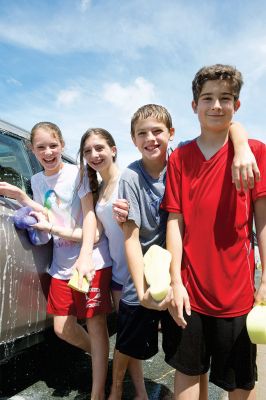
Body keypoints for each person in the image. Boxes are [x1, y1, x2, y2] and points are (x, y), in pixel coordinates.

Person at [110, 103, 261, 400]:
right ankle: (116, 389)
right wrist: (141, 289)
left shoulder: (183, 158)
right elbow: (131, 239)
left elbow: (226, 128)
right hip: (146, 273)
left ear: (171, 133)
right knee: (129, 340)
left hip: (182, 275)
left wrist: (242, 145)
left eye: (157, 131)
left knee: (192, 359)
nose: (150, 138)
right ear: (132, 139)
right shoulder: (130, 178)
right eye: (142, 133)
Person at [161, 64, 266, 400]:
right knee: (187, 374)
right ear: (195, 105)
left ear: (236, 105)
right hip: (189, 290)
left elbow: (262, 222)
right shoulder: (179, 157)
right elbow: (174, 222)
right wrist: (175, 281)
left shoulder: (255, 153)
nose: (216, 105)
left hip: (236, 294)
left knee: (240, 382)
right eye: (207, 98)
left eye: (225, 98)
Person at [0, 122, 112, 400]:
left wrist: (85, 256)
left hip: (90, 259)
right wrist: (23, 197)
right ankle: (101, 359)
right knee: (63, 327)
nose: (48, 152)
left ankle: (99, 391)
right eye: (41, 147)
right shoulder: (37, 181)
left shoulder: (78, 173)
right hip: (60, 264)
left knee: (96, 324)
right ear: (32, 149)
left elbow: (89, 216)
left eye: (53, 145)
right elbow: (50, 214)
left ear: (62, 144)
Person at [78, 128, 148, 400]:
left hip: (134, 271)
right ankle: (139, 391)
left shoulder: (127, 179)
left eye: (99, 148)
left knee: (130, 337)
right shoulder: (99, 185)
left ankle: (127, 391)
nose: (94, 155)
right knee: (128, 338)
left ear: (113, 149)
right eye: (87, 151)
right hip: (117, 272)